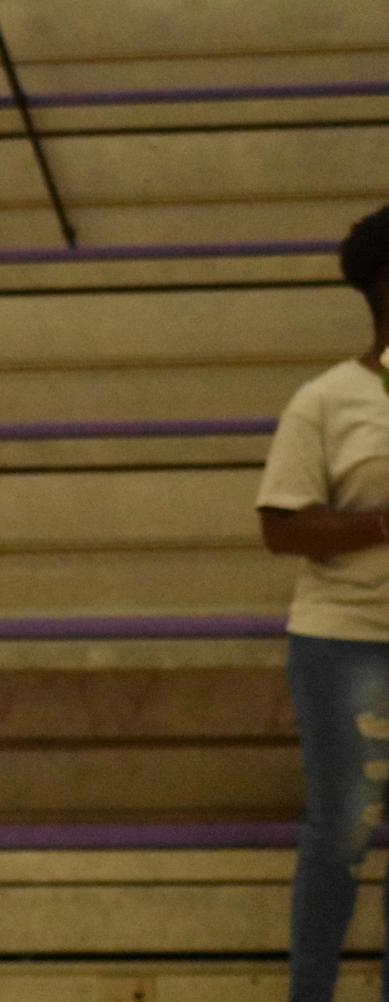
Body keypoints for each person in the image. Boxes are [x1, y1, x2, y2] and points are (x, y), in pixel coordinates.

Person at [257, 204, 389, 1002]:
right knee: (341, 833)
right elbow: (280, 527)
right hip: (343, 643)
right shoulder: (326, 400)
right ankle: (310, 993)